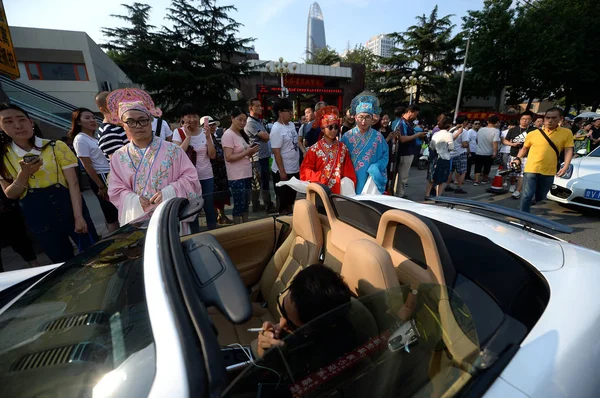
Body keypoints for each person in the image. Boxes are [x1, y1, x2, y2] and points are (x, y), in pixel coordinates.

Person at [0, 104, 98, 263]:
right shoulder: (3, 157)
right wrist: (23, 175)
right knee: (62, 263)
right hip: (39, 217)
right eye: (8, 122)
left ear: (31, 122)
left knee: (94, 255)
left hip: (70, 207)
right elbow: (10, 194)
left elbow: (73, 184)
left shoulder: (55, 146)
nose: (18, 126)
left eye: (21, 120)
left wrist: (79, 217)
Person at [105, 89, 202, 226]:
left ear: (150, 121)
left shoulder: (173, 150)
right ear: (123, 125)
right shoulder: (118, 156)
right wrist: (134, 200)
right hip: (138, 217)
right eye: (131, 122)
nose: (138, 126)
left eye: (142, 120)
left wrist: (169, 192)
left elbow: (191, 178)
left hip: (170, 215)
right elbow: (115, 189)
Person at [256, 264, 355, 359]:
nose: (281, 323)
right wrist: (263, 350)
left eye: (292, 325)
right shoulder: (304, 332)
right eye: (283, 310)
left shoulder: (324, 357)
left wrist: (274, 359)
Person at [69, 107, 120, 233]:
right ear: (78, 122)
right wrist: (101, 185)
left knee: (118, 209)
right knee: (111, 213)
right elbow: (87, 165)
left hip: (110, 174)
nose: (92, 120)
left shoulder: (95, 137)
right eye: (87, 118)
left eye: (93, 117)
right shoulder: (80, 139)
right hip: (101, 176)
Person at [514, 107, 574, 213]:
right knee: (526, 195)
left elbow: (568, 150)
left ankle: (533, 201)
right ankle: (523, 217)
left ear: (561, 119)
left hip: (549, 170)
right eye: (547, 118)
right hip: (531, 168)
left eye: (554, 118)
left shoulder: (567, 133)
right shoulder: (533, 133)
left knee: (541, 196)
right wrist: (517, 158)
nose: (550, 120)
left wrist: (565, 166)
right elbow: (524, 148)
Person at [172, 104, 217, 231]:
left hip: (206, 175)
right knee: (193, 209)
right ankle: (195, 236)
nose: (192, 119)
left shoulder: (205, 132)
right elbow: (177, 155)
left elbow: (212, 155)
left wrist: (208, 138)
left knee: (209, 207)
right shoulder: (178, 132)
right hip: (188, 179)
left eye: (195, 116)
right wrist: (187, 137)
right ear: (183, 118)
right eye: (189, 116)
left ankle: (215, 232)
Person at [300, 106, 357, 194]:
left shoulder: (343, 148)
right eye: (330, 127)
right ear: (322, 129)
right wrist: (319, 177)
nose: (334, 130)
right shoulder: (314, 149)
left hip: (339, 191)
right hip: (320, 190)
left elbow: (349, 172)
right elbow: (305, 170)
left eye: (336, 127)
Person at [341, 93, 389, 195]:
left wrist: (376, 168)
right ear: (355, 117)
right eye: (361, 117)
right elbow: (341, 157)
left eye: (367, 117)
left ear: (372, 119)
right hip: (351, 176)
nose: (363, 121)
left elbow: (385, 156)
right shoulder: (347, 136)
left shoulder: (378, 137)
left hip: (370, 177)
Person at [222, 108, 259, 224]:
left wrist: (250, 151)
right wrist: (247, 153)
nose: (243, 123)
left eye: (245, 120)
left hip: (246, 173)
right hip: (236, 175)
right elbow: (229, 157)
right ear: (232, 119)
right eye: (240, 120)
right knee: (239, 204)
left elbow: (244, 152)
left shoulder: (241, 133)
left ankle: (246, 226)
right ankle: (238, 228)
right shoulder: (228, 135)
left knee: (246, 203)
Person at [245, 98, 275, 213]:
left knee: (263, 181)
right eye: (256, 106)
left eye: (260, 105)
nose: (260, 108)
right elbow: (266, 136)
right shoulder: (250, 123)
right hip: (257, 157)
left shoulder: (258, 121)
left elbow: (266, 135)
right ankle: (266, 204)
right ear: (250, 108)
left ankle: (258, 204)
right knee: (261, 182)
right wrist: (267, 135)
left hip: (263, 156)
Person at [271, 98, 301, 214]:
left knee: (291, 201)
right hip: (283, 171)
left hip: (294, 168)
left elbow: (296, 142)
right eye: (287, 110)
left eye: (291, 110)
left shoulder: (292, 125)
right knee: (283, 202)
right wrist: (282, 171)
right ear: (280, 112)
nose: (290, 113)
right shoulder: (276, 128)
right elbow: (276, 151)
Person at [0, 189, 39, 271]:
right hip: (7, 210)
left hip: (8, 212)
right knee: (22, 242)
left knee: (22, 242)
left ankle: (37, 269)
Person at [394, 105, 425, 198]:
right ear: (410, 112)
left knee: (402, 175)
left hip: (408, 151)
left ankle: (399, 193)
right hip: (405, 152)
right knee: (403, 175)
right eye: (416, 114)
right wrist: (417, 135)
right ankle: (399, 194)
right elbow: (402, 139)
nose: (416, 116)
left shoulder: (407, 123)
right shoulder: (402, 123)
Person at [206, 117, 233, 225]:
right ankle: (216, 217)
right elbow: (213, 155)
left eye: (213, 125)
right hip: (212, 171)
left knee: (222, 195)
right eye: (210, 125)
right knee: (214, 196)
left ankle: (221, 215)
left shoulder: (215, 137)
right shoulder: (205, 138)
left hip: (220, 171)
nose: (212, 127)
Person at [504, 111, 534, 199]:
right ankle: (512, 184)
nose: (525, 121)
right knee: (513, 172)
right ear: (520, 120)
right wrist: (512, 144)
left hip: (526, 155)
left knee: (521, 174)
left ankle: (518, 191)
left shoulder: (533, 130)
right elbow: (505, 140)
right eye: (523, 119)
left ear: (531, 120)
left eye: (528, 119)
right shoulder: (513, 130)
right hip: (513, 154)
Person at [424, 117, 455, 200]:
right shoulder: (449, 135)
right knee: (441, 180)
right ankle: (438, 197)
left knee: (431, 178)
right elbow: (451, 147)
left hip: (434, 158)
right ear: (449, 125)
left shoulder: (436, 134)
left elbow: (431, 146)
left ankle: (427, 195)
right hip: (444, 158)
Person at [95, 91, 128, 161]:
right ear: (103, 109)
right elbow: (121, 162)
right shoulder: (108, 132)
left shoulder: (119, 126)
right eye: (115, 105)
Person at [445, 116, 470, 194]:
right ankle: (459, 187)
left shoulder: (451, 130)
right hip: (460, 153)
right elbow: (464, 144)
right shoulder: (464, 131)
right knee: (462, 171)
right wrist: (468, 145)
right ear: (464, 122)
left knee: (450, 171)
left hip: (450, 153)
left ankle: (447, 185)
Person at [474, 115, 501, 186]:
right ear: (496, 122)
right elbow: (495, 142)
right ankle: (485, 179)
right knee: (487, 166)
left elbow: (477, 140)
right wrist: (495, 152)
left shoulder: (480, 129)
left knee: (478, 166)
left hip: (479, 151)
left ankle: (476, 180)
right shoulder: (496, 131)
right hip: (489, 152)